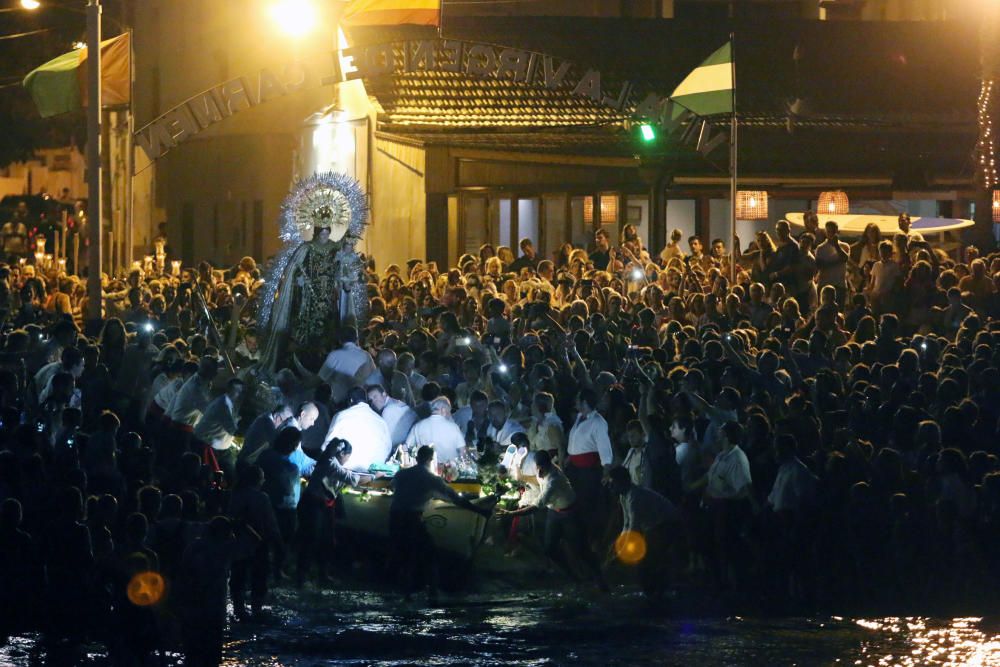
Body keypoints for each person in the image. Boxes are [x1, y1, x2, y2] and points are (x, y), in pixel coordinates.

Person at [389, 445, 490, 600]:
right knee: (430, 556)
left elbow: (393, 488)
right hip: (412, 520)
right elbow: (457, 500)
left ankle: (405, 594)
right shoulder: (432, 479)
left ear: (416, 459)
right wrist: (480, 510)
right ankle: (432, 594)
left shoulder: (401, 474)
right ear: (431, 460)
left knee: (404, 557)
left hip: (394, 519)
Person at [499, 451, 607, 589]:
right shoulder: (542, 470)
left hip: (570, 514)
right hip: (554, 512)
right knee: (549, 549)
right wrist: (522, 477)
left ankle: (599, 579)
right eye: (538, 467)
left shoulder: (553, 480)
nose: (539, 471)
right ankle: (575, 578)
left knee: (581, 550)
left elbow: (535, 507)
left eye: (541, 468)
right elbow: (536, 480)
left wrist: (511, 514)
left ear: (548, 465)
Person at [298, 438, 378, 586]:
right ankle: (302, 577)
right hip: (314, 504)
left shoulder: (329, 460)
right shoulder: (330, 462)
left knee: (326, 540)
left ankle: (321, 574)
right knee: (311, 540)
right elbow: (352, 478)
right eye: (348, 457)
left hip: (324, 505)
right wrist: (374, 476)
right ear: (343, 454)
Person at [607, 466, 680, 598]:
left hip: (666, 523)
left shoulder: (634, 497)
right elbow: (627, 523)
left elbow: (633, 528)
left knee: (646, 558)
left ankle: (657, 591)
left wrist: (621, 552)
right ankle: (655, 589)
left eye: (612, 483)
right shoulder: (624, 496)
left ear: (621, 482)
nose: (610, 487)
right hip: (656, 525)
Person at [323, 386, 391, 468]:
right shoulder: (381, 420)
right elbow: (388, 447)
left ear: (350, 401)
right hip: (375, 470)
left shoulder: (341, 415)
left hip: (349, 469)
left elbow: (327, 445)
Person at [193, 377, 244, 483]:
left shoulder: (228, 403)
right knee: (210, 478)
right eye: (237, 391)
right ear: (229, 389)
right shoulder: (223, 405)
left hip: (218, 446)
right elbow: (233, 430)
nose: (239, 394)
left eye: (241, 391)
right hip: (207, 445)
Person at [317, 327, 376, 404]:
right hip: (361, 400)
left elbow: (321, 378)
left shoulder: (334, 355)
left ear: (340, 340)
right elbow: (373, 376)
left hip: (339, 403)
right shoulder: (366, 355)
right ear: (356, 339)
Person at [404, 396, 467, 463]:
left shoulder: (418, 426)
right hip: (450, 471)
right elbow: (462, 451)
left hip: (426, 469)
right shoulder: (454, 427)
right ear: (443, 410)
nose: (449, 415)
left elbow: (406, 447)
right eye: (449, 412)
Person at [366, 383, 418, 449]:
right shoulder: (396, 402)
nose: (373, 402)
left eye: (375, 397)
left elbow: (386, 441)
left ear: (384, 394)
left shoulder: (388, 410)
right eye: (371, 400)